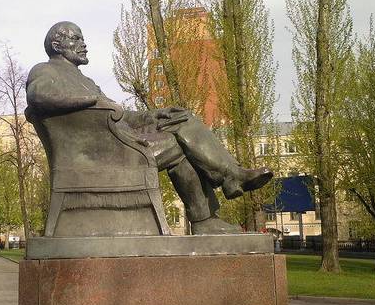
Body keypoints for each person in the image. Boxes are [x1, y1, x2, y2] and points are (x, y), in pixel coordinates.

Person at [26, 21, 273, 235]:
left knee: (181, 120)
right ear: (57, 46)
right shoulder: (45, 70)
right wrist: (93, 100)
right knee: (181, 144)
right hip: (98, 157)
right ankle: (219, 196)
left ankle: (222, 191)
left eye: (82, 38)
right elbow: (38, 95)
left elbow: (119, 116)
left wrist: (154, 115)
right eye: (76, 38)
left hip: (116, 145)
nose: (83, 44)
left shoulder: (85, 81)